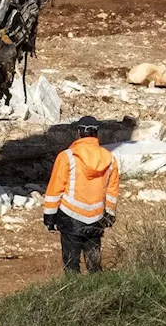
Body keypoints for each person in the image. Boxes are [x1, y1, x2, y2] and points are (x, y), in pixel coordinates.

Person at [43, 116, 120, 274]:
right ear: (96, 133)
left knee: (71, 266)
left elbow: (55, 188)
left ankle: (73, 295)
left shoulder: (67, 156)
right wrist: (110, 213)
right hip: (97, 218)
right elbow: (112, 189)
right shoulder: (110, 159)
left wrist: (49, 216)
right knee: (94, 266)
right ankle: (100, 294)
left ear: (79, 132)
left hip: (70, 217)